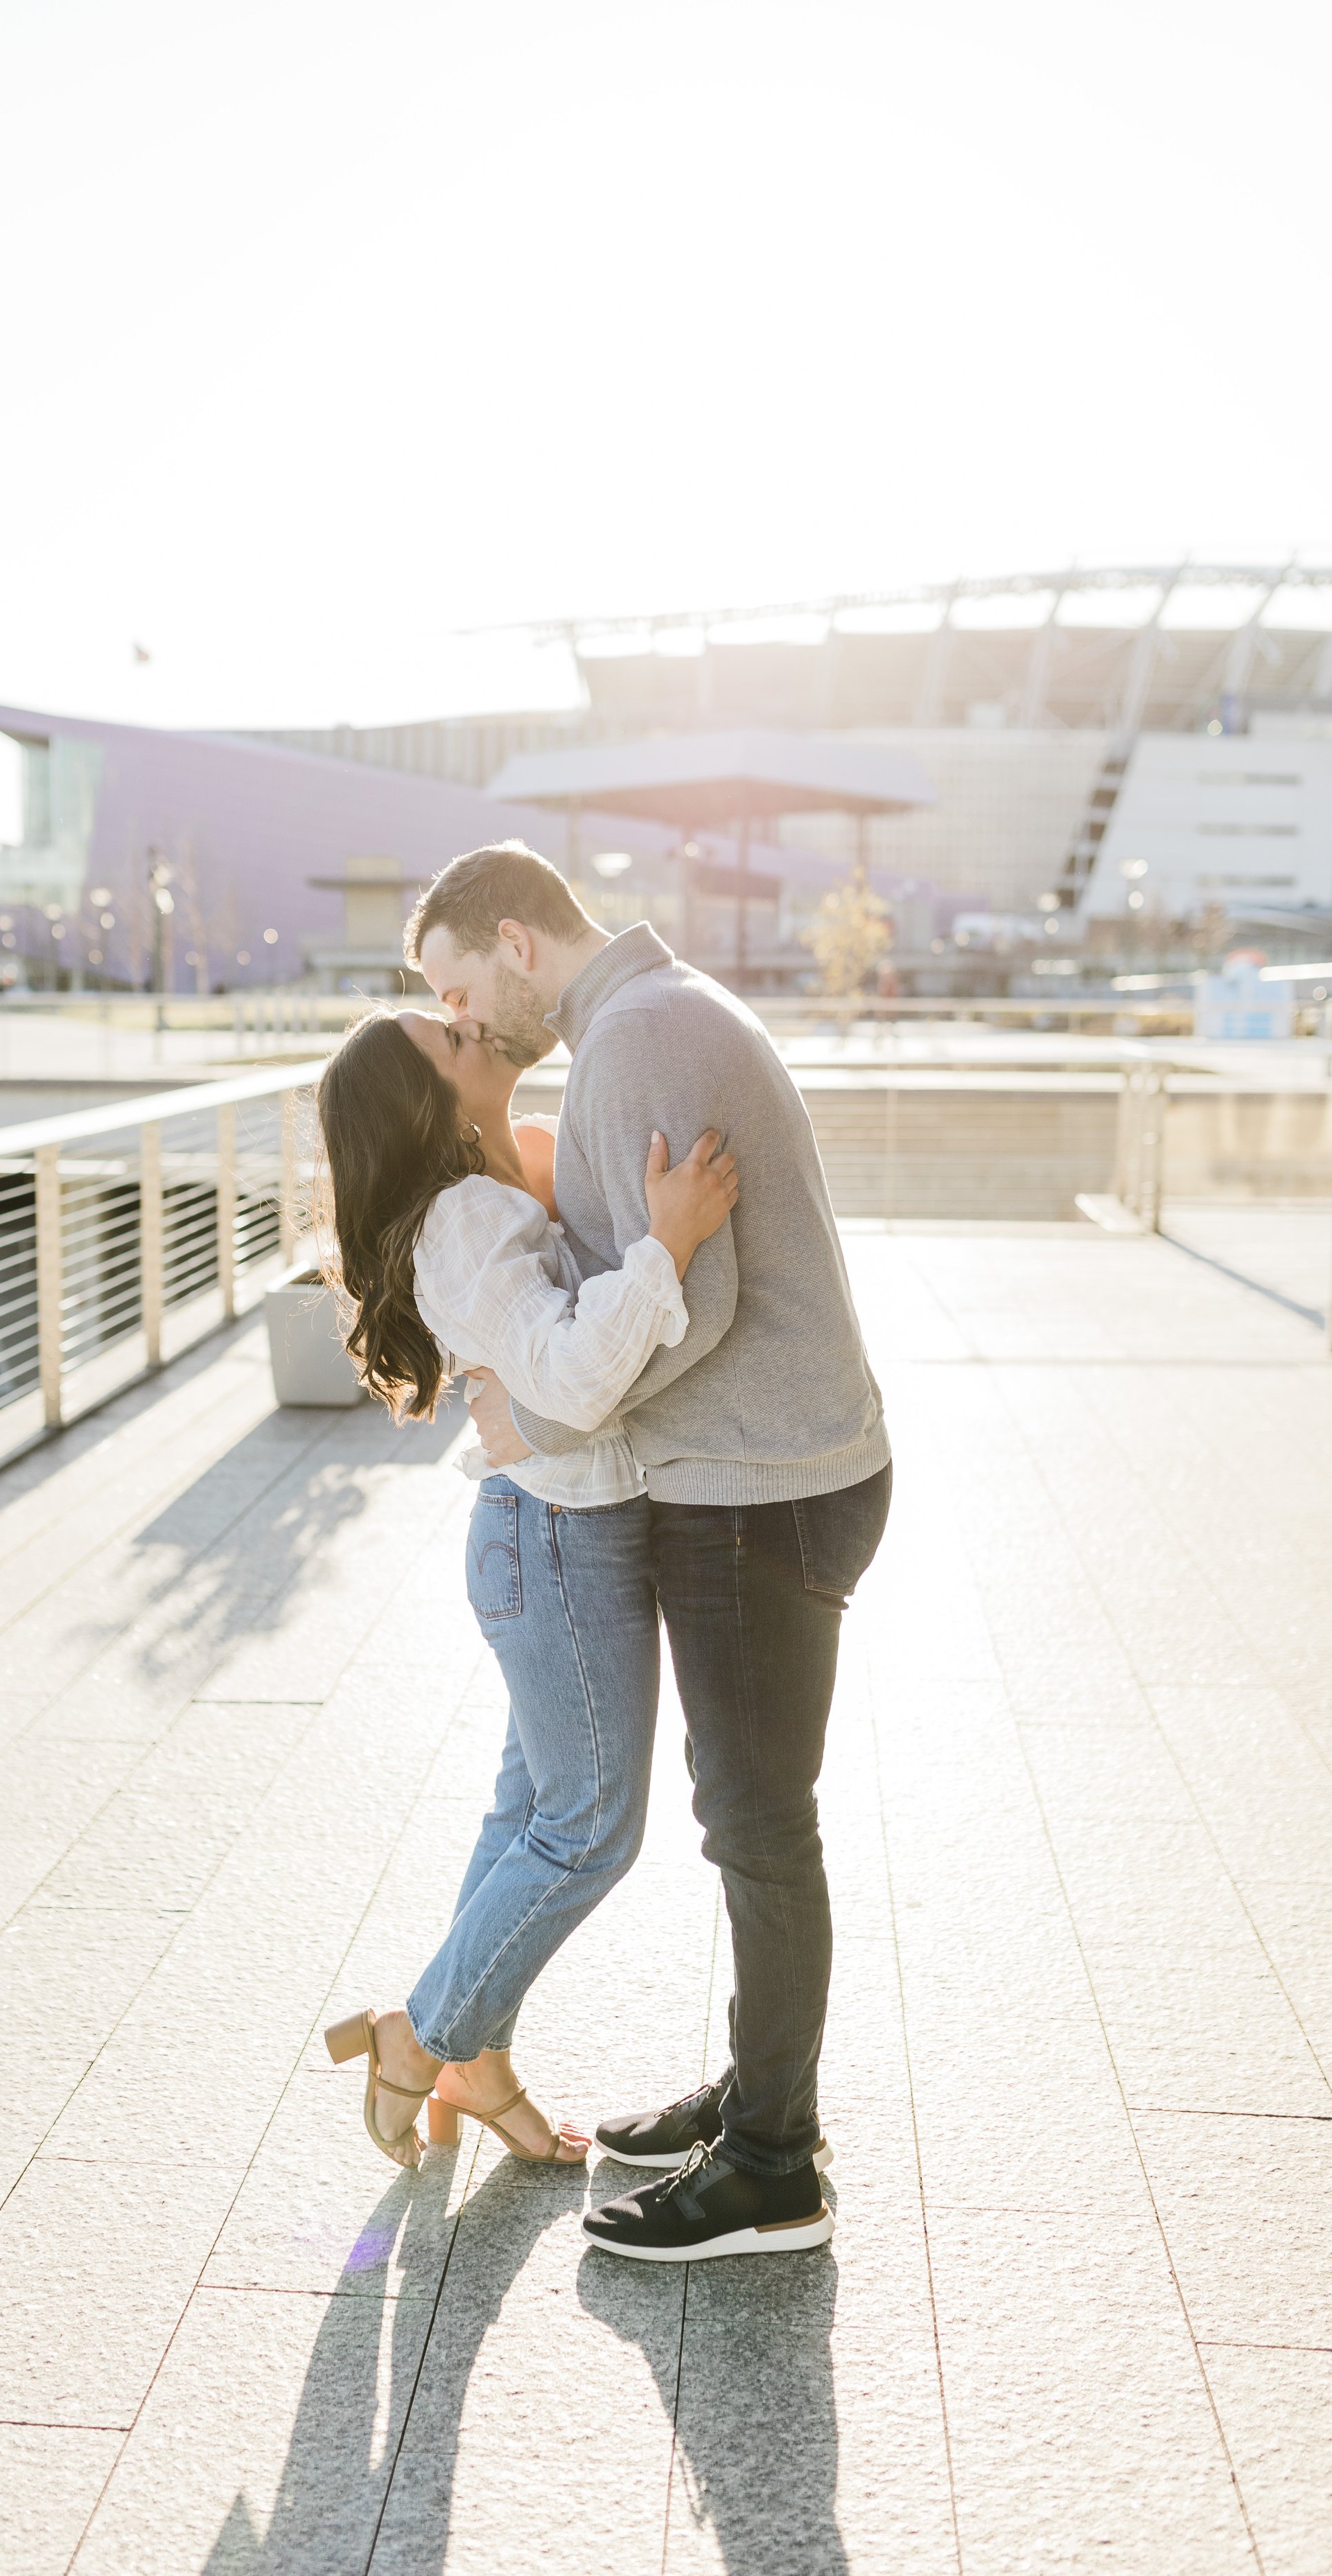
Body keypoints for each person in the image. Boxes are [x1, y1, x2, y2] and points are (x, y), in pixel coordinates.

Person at [410, 841, 891, 2264]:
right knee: (744, 1815)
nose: (462, 1020)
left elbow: (704, 1292)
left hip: (757, 1487)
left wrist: (537, 1401)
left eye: (454, 986)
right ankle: (756, 2099)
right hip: (770, 1473)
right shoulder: (650, 1018)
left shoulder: (632, 1044)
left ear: (513, 938)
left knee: (753, 1826)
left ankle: (769, 2168)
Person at [316, 1005, 738, 2173]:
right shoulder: (465, 1219)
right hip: (553, 1538)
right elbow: (571, 1378)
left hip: (553, 1535)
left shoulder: (503, 1179)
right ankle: (422, 2032)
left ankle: (477, 2062)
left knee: (528, 1815)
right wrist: (667, 1241)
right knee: (590, 1826)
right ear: (435, 1104)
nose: (469, 1026)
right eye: (444, 1037)